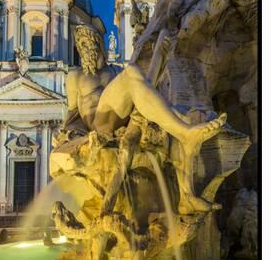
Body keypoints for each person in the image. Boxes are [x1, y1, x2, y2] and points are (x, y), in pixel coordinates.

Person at [63, 23, 226, 213]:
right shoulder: (75, 76)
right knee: (132, 72)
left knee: (163, 108)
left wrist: (159, 53)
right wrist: (74, 137)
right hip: (98, 123)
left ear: (100, 45)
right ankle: (184, 131)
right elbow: (73, 115)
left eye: (90, 42)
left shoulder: (114, 71)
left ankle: (187, 194)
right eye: (82, 44)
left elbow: (144, 88)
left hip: (122, 120)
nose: (86, 47)